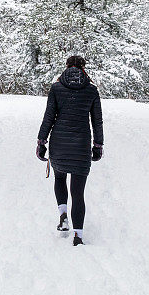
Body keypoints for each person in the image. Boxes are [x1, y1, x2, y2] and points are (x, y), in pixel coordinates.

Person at [36, 55, 104, 246]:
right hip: (81, 145)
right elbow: (96, 121)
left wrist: (42, 141)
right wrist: (98, 145)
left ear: (67, 67)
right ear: (83, 68)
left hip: (59, 143)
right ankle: (78, 236)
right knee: (78, 192)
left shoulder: (57, 88)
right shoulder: (91, 90)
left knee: (59, 178)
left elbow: (48, 117)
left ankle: (63, 215)